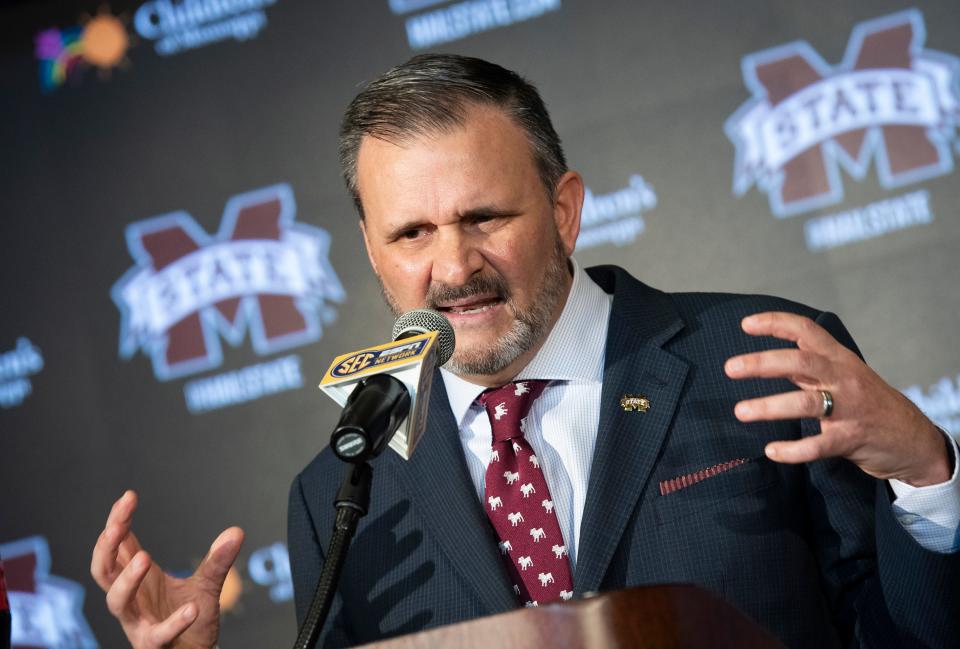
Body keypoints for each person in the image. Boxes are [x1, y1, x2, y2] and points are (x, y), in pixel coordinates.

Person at [91, 54, 960, 648]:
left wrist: (927, 475)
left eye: (484, 217)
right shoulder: (341, 494)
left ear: (565, 210)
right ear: (370, 251)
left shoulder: (763, 359)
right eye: (412, 232)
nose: (453, 265)